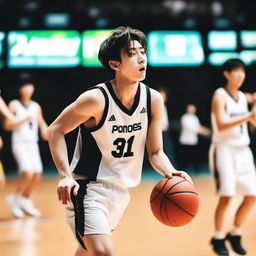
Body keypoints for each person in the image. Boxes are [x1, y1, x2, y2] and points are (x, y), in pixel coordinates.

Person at [47, 26, 192, 256]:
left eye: (142, 51)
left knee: (86, 251)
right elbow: (55, 130)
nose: (141, 57)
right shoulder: (95, 99)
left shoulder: (152, 99)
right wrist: (65, 176)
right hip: (87, 189)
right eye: (132, 53)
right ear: (115, 64)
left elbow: (155, 152)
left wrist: (170, 171)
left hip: (121, 192)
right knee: (104, 252)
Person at [209, 58, 256, 256]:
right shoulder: (219, 96)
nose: (240, 76)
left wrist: (252, 119)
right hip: (224, 149)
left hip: (242, 150)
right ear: (226, 74)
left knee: (252, 195)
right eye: (236, 72)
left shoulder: (244, 98)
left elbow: (249, 123)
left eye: (242, 72)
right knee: (227, 196)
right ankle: (218, 237)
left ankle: (235, 232)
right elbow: (221, 124)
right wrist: (248, 116)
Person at [5, 74, 48, 218]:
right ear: (20, 89)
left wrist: (45, 131)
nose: (27, 89)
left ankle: (26, 200)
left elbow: (41, 123)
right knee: (27, 172)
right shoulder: (14, 104)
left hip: (32, 143)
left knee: (37, 173)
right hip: (19, 143)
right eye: (24, 86)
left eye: (29, 85)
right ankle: (15, 201)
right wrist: (23, 120)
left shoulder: (36, 106)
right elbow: (7, 125)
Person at [179, 104, 211, 172]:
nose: (191, 110)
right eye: (190, 108)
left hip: (193, 141)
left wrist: (206, 131)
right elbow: (191, 128)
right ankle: (182, 170)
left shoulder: (195, 118)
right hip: (185, 141)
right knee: (184, 157)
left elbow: (198, 126)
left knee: (195, 156)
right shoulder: (184, 117)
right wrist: (204, 131)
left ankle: (196, 170)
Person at [158, 87, 177, 167]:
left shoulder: (164, 106)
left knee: (168, 150)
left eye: (164, 96)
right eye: (161, 95)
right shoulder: (156, 105)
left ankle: (171, 167)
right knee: (160, 151)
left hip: (165, 131)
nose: (162, 98)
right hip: (159, 132)